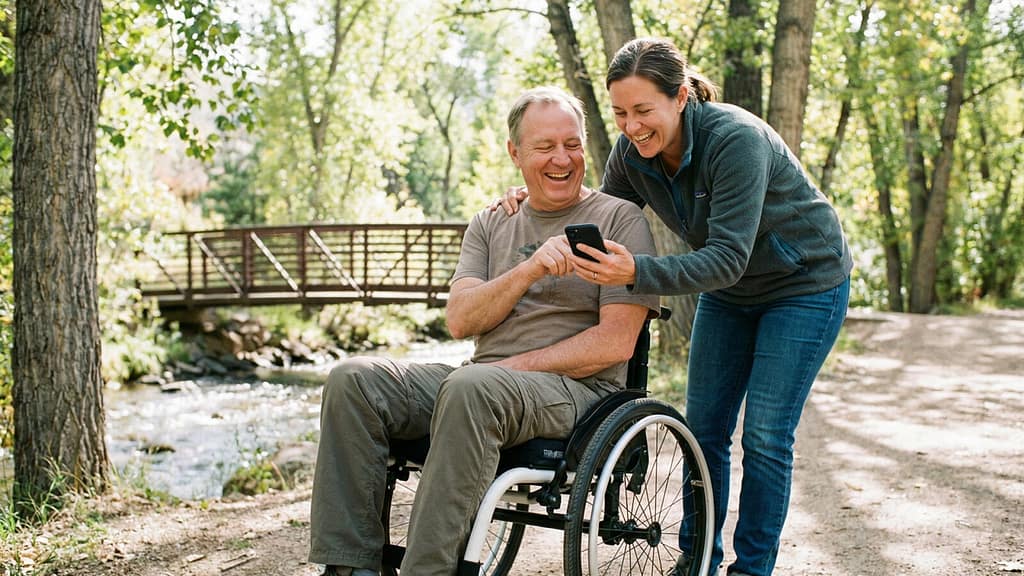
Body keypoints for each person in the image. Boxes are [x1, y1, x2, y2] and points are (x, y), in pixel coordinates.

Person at [497, 38, 853, 576]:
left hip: (803, 284)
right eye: (620, 113)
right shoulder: (631, 154)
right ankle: (698, 559)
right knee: (703, 430)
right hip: (732, 295)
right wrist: (536, 195)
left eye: (644, 110)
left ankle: (751, 568)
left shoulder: (736, 141)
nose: (632, 125)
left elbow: (727, 257)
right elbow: (597, 213)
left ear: (680, 97)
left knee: (764, 434)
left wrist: (637, 271)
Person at [308, 86, 660, 576]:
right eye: (545, 147)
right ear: (515, 153)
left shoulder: (619, 220)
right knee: (354, 379)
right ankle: (352, 567)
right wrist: (529, 270)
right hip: (481, 385)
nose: (562, 159)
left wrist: (507, 369)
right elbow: (461, 320)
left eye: (572, 144)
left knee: (473, 384)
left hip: (578, 394)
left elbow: (614, 343)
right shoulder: (492, 222)